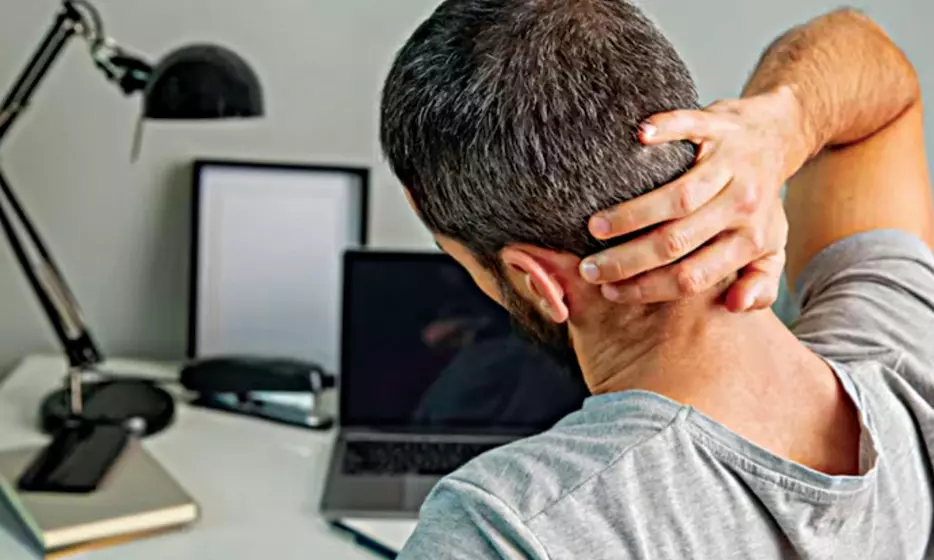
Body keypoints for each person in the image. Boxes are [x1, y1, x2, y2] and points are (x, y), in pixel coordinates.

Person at [380, 1, 934, 557]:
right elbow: (878, 79)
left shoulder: (506, 529)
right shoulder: (902, 353)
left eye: (458, 257)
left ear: (537, 282)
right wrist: (779, 128)